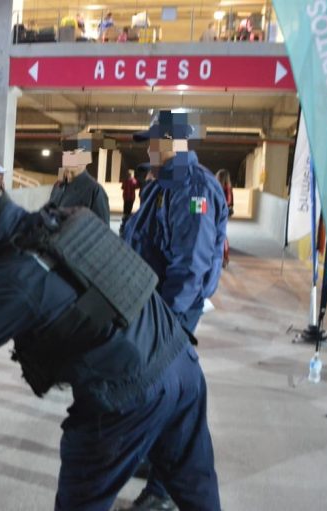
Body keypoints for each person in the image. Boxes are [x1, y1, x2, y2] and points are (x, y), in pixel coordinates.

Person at [0, 179, 221, 511]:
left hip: (127, 394)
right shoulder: (63, 221)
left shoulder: (14, 277)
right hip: (182, 362)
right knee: (196, 487)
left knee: (82, 497)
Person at [122, 112, 228, 511]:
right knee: (152, 393)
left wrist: (165, 324)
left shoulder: (192, 186)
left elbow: (191, 267)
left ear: (173, 142)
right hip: (153, 305)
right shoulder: (164, 182)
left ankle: (163, 491)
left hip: (172, 311)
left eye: (154, 140)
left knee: (170, 396)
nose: (149, 147)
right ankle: (153, 459)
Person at [215, 169, 234, 268]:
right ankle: (225, 258)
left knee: (219, 236)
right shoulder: (229, 189)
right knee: (222, 235)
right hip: (224, 214)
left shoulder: (217, 188)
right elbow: (230, 203)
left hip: (217, 214)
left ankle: (223, 258)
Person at [120, 168, 139, 236]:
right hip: (131, 197)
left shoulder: (125, 181)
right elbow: (136, 187)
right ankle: (127, 220)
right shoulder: (134, 181)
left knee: (125, 209)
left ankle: (124, 221)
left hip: (126, 197)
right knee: (129, 209)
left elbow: (122, 187)